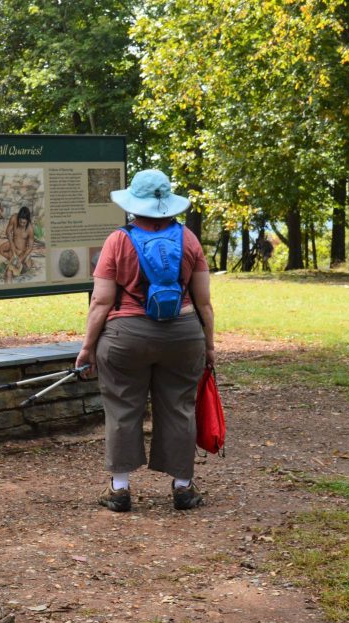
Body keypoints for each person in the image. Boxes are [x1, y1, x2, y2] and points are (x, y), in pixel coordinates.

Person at [75, 169, 215, 512]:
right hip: (183, 334)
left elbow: (101, 302)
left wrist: (87, 347)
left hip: (126, 336)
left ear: (134, 205)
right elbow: (204, 302)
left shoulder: (118, 241)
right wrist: (209, 346)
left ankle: (119, 489)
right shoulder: (189, 240)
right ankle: (183, 487)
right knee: (179, 408)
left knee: (122, 407)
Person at [0, 206, 34, 281]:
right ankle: (12, 258)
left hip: (21, 251)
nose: (22, 224)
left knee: (14, 269)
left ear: (28, 220)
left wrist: (21, 259)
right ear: (18, 218)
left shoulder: (30, 229)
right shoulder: (14, 218)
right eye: (20, 222)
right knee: (1, 249)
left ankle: (16, 261)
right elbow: (8, 232)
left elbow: (30, 247)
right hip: (13, 244)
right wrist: (12, 245)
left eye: (24, 223)